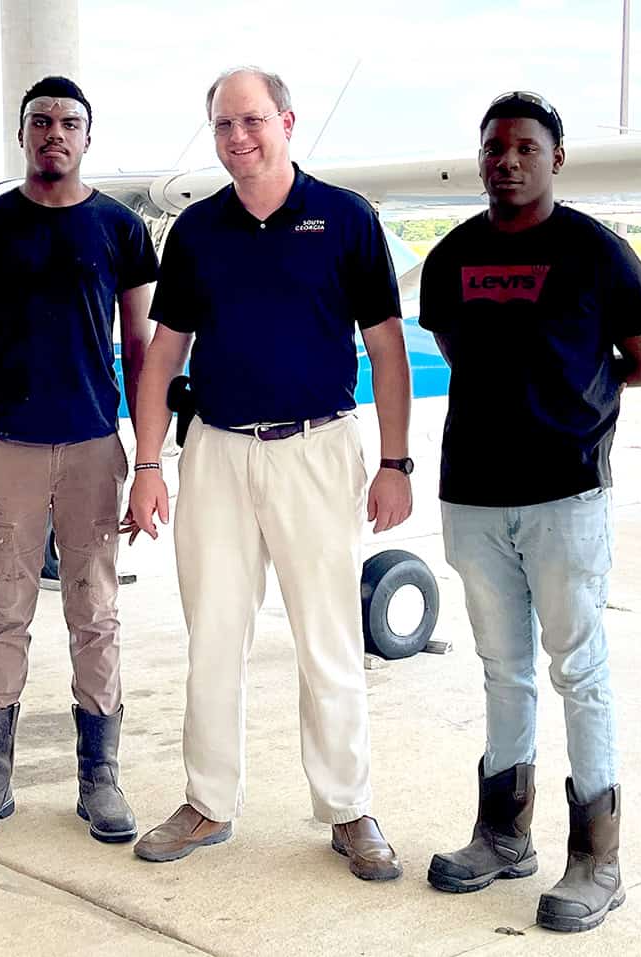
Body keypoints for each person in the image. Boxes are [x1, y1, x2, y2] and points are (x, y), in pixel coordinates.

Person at [126, 67, 413, 880]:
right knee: (214, 634)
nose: (237, 138)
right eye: (222, 125)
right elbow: (162, 357)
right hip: (216, 449)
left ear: (288, 121)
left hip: (318, 449)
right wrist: (149, 465)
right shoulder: (197, 231)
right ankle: (208, 801)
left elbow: (387, 349)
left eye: (252, 121)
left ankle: (349, 807)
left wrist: (393, 461)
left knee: (328, 638)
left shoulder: (347, 220)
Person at [419, 92, 641, 932]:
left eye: (526, 146)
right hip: (476, 497)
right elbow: (458, 345)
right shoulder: (452, 256)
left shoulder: (598, 253)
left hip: (568, 495)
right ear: (481, 157)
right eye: (495, 146)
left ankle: (599, 857)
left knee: (579, 669)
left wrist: (570, 407)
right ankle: (501, 833)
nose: (509, 159)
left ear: (555, 158)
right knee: (502, 667)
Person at [0, 76, 158, 844]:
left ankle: (100, 775)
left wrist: (149, 458)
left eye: (69, 122)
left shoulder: (120, 229)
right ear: (24, 135)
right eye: (41, 122)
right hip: (8, 447)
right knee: (4, 611)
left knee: (95, 613)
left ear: (87, 138)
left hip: (95, 447)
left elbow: (139, 349)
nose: (54, 133)